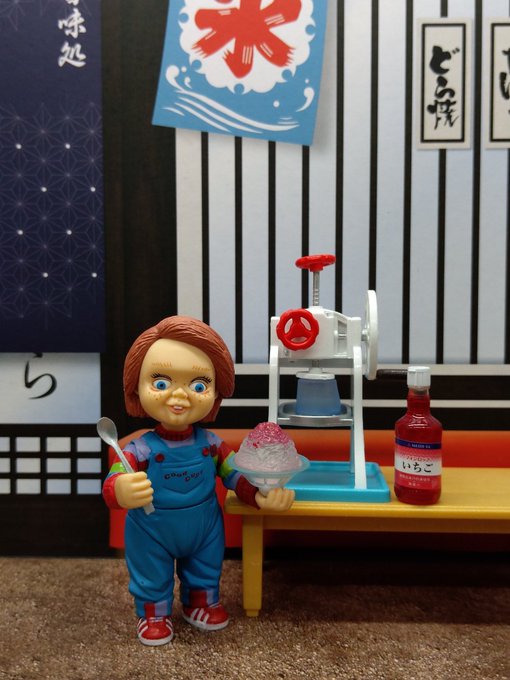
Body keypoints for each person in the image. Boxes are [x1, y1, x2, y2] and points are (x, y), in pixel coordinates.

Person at [102, 316, 294, 646]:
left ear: (216, 393)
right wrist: (121, 488)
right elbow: (115, 477)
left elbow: (235, 474)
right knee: (151, 573)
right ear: (135, 387)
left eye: (199, 386)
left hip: (203, 525)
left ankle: (201, 602)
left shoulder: (213, 445)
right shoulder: (139, 449)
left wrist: (259, 493)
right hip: (152, 528)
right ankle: (153, 612)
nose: (179, 395)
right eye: (161, 383)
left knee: (206, 567)